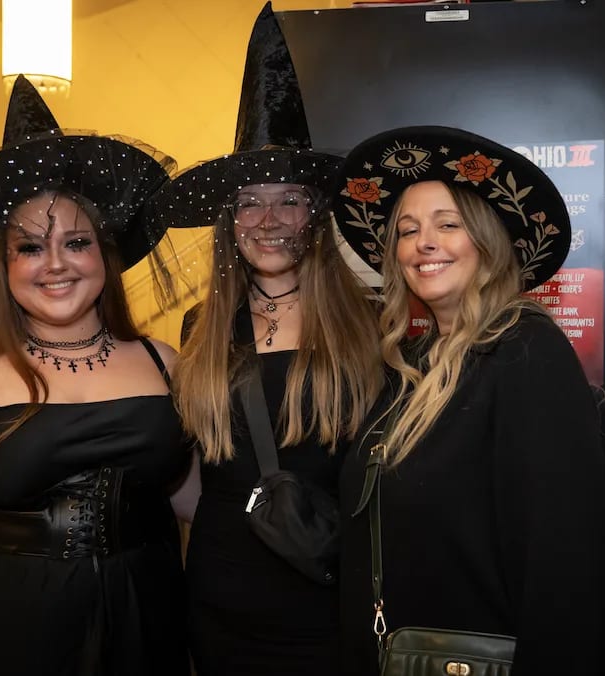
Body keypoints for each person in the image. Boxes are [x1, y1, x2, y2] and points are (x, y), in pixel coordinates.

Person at [0, 75, 192, 676]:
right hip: (9, 627)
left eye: (76, 242)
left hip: (148, 619)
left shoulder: (165, 363)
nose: (55, 264)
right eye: (29, 248)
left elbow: (196, 499)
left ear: (104, 254)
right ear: (3, 265)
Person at [334, 126, 605, 675]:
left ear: (488, 241)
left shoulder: (526, 352)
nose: (423, 243)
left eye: (448, 225)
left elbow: (565, 559)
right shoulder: (409, 365)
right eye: (407, 230)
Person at [157, 4, 382, 674]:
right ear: (230, 222)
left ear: (317, 213)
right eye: (250, 202)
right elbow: (190, 477)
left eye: (290, 199)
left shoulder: (371, 323)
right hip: (220, 600)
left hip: (331, 597)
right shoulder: (200, 331)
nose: (269, 220)